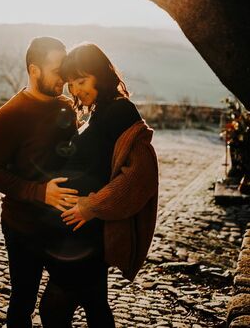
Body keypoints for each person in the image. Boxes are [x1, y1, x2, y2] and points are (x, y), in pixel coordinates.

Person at [39, 43, 159, 328]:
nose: (77, 90)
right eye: (72, 84)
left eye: (82, 81)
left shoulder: (120, 112)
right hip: (81, 234)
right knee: (94, 304)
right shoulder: (102, 110)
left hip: (86, 234)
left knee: (54, 309)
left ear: (101, 76)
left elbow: (140, 178)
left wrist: (91, 206)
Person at [0, 36, 79, 328]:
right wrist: (39, 192)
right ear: (34, 70)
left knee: (66, 295)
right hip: (23, 227)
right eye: (56, 69)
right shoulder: (8, 116)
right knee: (22, 301)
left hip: (63, 224)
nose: (63, 76)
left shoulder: (67, 106)